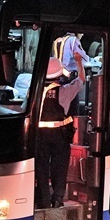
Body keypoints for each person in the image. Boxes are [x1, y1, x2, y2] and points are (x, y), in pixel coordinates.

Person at [35, 55, 85, 209]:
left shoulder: (35, 92)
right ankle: (57, 199)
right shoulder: (64, 91)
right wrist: (78, 62)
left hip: (39, 135)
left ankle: (43, 201)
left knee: (41, 168)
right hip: (59, 136)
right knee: (60, 167)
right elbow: (81, 79)